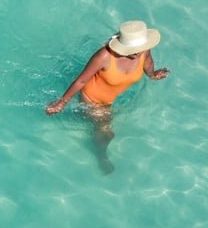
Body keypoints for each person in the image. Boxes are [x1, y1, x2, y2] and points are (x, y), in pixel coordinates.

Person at [45, 20, 170, 173]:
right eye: (134, 48)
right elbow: (81, 80)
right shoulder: (104, 56)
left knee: (105, 128)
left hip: (110, 100)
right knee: (107, 133)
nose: (138, 52)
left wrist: (152, 75)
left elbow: (148, 64)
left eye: (140, 47)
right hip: (92, 98)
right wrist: (62, 103)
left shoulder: (144, 50)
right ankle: (100, 155)